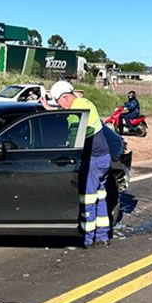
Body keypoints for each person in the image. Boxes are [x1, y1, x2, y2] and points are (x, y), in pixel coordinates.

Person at [40, 81, 111, 248]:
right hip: (103, 157)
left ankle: (87, 239)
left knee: (87, 199)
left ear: (65, 98)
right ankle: (102, 236)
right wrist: (51, 109)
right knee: (100, 198)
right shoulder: (84, 104)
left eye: (58, 101)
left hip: (92, 159)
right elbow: (69, 110)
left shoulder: (77, 112)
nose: (59, 105)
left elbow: (74, 137)